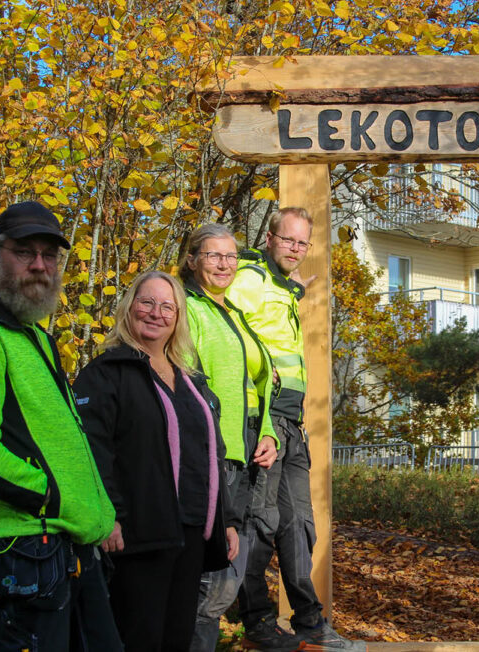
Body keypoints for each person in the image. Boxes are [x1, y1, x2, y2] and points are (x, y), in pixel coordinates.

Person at [0, 201, 122, 650]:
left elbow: (62, 443)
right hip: (23, 548)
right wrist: (54, 498)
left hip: (65, 544)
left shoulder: (33, 334)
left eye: (49, 255)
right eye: (25, 252)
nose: (39, 265)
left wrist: (96, 513)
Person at [73, 271, 237, 651]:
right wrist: (107, 514)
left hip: (192, 533)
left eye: (167, 306)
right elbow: (91, 451)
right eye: (147, 302)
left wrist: (226, 520)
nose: (156, 313)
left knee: (176, 639)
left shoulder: (193, 380)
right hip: (137, 536)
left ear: (178, 317)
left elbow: (211, 452)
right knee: (138, 638)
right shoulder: (106, 373)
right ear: (129, 307)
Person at [226, 207, 364, 651]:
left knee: (299, 525)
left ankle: (310, 622)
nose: (296, 249)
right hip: (262, 420)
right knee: (260, 524)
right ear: (269, 238)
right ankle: (257, 623)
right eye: (288, 240)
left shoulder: (279, 285)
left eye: (303, 243)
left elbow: (272, 326)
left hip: (292, 421)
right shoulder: (246, 278)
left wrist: (293, 289)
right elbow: (234, 336)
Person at [179, 224, 281, 651]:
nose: (225, 263)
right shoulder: (186, 308)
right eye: (213, 255)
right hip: (213, 459)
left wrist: (270, 433)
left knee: (229, 576)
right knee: (211, 583)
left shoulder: (234, 313)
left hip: (248, 456)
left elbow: (261, 383)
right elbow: (184, 387)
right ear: (192, 259)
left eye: (231, 256)